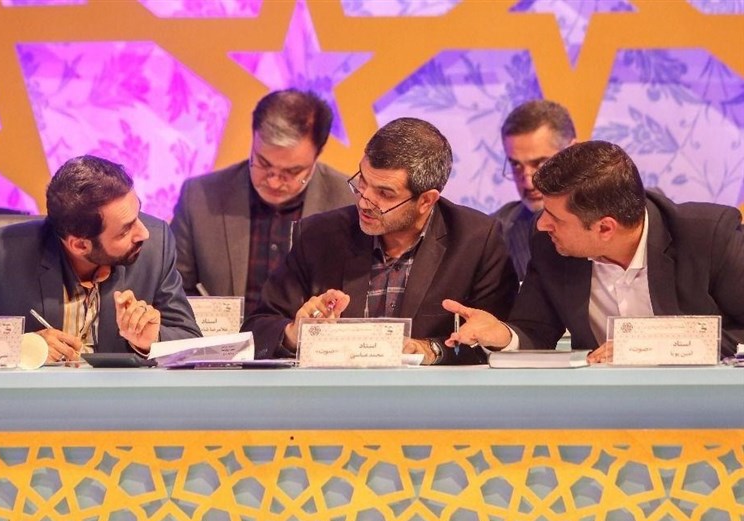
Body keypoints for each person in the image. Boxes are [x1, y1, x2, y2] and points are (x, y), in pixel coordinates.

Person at [241, 117, 518, 365]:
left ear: (426, 200)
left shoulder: (476, 241)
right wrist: (294, 334)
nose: (364, 201)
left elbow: (496, 338)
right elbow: (257, 328)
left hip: (431, 401)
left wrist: (431, 349)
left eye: (384, 193)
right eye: (362, 182)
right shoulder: (319, 236)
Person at [444, 140, 744, 360]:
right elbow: (535, 330)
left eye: (556, 218)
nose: (542, 225)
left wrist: (650, 348)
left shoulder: (709, 237)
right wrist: (501, 334)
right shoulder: (550, 245)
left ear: (605, 228)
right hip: (599, 410)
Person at [0, 155, 201, 362]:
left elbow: (191, 340)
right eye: (124, 231)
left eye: (138, 214)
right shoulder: (2, 253)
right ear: (79, 245)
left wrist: (152, 339)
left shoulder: (156, 246)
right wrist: (23, 347)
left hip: (122, 404)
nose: (143, 233)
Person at [171, 89, 352, 317]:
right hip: (222, 339)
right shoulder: (201, 197)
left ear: (318, 153)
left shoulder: (349, 202)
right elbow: (173, 291)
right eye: (264, 164)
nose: (274, 182)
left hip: (310, 338)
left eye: (292, 171)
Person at [493, 99, 576, 281]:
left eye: (540, 163)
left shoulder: (619, 221)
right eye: (516, 165)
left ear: (572, 153)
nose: (528, 183)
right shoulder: (495, 235)